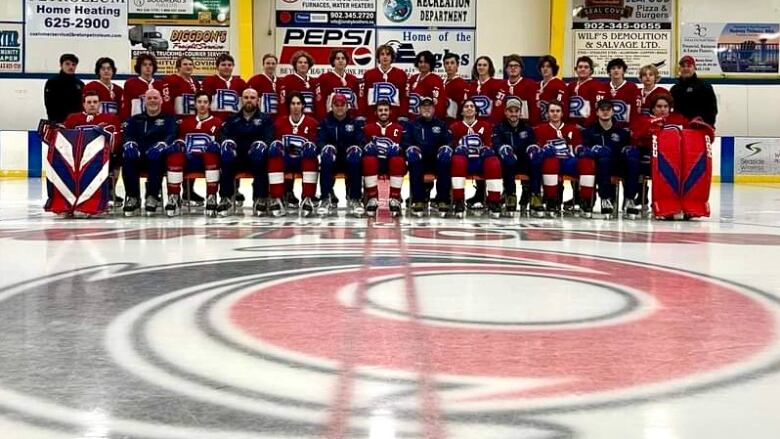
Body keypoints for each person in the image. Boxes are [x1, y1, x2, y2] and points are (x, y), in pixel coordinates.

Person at [631, 93, 690, 218]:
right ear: (653, 108)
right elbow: (635, 137)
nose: (662, 109)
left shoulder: (678, 119)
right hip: (649, 158)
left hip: (674, 159)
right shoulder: (644, 120)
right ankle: (655, 203)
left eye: (665, 106)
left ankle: (682, 205)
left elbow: (689, 135)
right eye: (659, 106)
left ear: (670, 108)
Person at [530, 100, 592, 217]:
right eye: (552, 111)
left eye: (557, 111)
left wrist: (582, 151)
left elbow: (578, 146)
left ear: (562, 113)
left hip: (569, 161)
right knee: (550, 162)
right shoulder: (540, 129)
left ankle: (586, 201)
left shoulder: (572, 129)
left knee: (587, 163)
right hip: (550, 163)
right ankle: (551, 201)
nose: (555, 114)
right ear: (547, 113)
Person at [164, 91, 222, 217]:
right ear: (195, 104)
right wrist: (178, 144)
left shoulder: (218, 122)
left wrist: (217, 146)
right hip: (189, 160)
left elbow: (221, 142)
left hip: (208, 162)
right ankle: (174, 197)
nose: (202, 105)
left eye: (205, 102)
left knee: (211, 156)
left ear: (210, 105)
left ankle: (211, 196)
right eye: (199, 102)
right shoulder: (185, 123)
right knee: (175, 157)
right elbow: (179, 140)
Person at [121, 89, 178, 216]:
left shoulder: (169, 119)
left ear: (161, 101)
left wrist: (162, 145)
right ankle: (133, 197)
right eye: (149, 98)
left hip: (157, 155)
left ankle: (152, 196)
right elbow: (127, 134)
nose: (152, 101)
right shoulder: (135, 119)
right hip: (138, 155)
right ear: (145, 101)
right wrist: (130, 144)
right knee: (127, 159)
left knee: (156, 159)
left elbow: (172, 135)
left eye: (155, 98)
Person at [219, 88, 275, 217]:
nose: (249, 100)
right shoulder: (232, 119)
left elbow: (269, 138)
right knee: (226, 160)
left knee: (261, 160)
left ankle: (260, 197)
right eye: (246, 97)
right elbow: (224, 136)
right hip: (237, 157)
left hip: (256, 157)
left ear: (258, 101)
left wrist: (261, 146)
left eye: (252, 97)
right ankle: (225, 198)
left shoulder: (266, 119)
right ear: (241, 100)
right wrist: (228, 146)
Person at [267, 92, 320, 216]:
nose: (295, 106)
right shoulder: (280, 123)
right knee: (274, 155)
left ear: (303, 106)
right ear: (289, 106)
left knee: (310, 156)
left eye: (298, 103)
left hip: (303, 161)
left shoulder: (312, 123)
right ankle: (277, 198)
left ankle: (307, 198)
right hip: (286, 161)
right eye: (293, 104)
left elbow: (317, 146)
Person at [450, 98, 502, 218]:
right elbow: (450, 145)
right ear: (462, 111)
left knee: (493, 162)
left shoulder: (486, 126)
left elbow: (489, 144)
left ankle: (494, 201)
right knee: (457, 159)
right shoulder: (454, 127)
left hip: (480, 162)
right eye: (466, 106)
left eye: (472, 106)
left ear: (476, 111)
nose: (469, 108)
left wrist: (486, 150)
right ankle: (458, 201)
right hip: (462, 163)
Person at [402, 96, 453, 217]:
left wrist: (446, 149)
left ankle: (442, 199)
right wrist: (410, 149)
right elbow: (405, 141)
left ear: (433, 108)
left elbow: (449, 141)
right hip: (419, 159)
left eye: (429, 106)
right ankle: (418, 199)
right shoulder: (412, 124)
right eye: (424, 106)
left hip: (437, 159)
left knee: (445, 162)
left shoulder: (441, 124)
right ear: (419, 108)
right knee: (414, 162)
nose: (426, 108)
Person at [316, 94, 366, 216]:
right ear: (331, 106)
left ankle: (355, 198)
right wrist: (326, 148)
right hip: (332, 159)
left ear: (347, 107)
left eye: (342, 105)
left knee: (355, 158)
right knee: (326, 157)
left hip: (348, 160)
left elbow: (361, 141)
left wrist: (354, 149)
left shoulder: (354, 123)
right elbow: (320, 141)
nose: (339, 108)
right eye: (336, 105)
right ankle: (325, 198)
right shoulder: (325, 123)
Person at [581, 100, 632, 218]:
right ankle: (604, 199)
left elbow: (627, 149)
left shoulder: (622, 133)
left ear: (613, 112)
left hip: (617, 165)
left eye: (608, 109)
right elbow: (585, 150)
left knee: (632, 160)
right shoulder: (589, 132)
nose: (605, 112)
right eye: (602, 110)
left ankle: (630, 199)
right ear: (597, 112)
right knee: (602, 161)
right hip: (598, 165)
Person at [492, 97, 537, 215]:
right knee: (508, 161)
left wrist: (532, 150)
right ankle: (510, 194)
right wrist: (504, 150)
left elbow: (532, 143)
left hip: (523, 160)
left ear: (520, 112)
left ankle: (532, 194)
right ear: (505, 112)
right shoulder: (499, 127)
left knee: (535, 161)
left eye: (516, 111)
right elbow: (497, 143)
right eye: (510, 111)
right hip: (508, 160)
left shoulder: (527, 128)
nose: (513, 114)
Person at [362, 100, 406, 216]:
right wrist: (366, 147)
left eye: (385, 110)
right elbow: (361, 144)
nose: (383, 113)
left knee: (398, 160)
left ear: (390, 112)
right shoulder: (367, 128)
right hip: (374, 164)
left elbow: (406, 145)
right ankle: (372, 198)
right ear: (376, 112)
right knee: (368, 160)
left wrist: (400, 150)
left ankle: (395, 199)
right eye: (380, 110)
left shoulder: (399, 128)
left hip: (392, 164)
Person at [361, 44, 408, 123]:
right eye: (382, 54)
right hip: (372, 118)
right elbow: (363, 96)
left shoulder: (401, 74)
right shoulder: (369, 74)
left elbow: (404, 96)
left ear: (392, 57)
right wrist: (362, 114)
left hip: (394, 119)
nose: (385, 57)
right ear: (378, 57)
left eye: (388, 54)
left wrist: (402, 114)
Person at [122, 54, 172, 119]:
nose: (148, 67)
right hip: (137, 122)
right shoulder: (130, 83)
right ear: (139, 67)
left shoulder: (161, 84)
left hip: (158, 123)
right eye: (144, 65)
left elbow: (166, 105)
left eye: (150, 65)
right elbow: (126, 105)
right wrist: (125, 121)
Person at [670, 55, 718, 126]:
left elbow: (713, 110)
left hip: (701, 127)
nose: (686, 68)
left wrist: (707, 126)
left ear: (694, 68)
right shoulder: (674, 89)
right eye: (683, 66)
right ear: (679, 69)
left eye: (689, 66)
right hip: (681, 128)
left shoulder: (705, 86)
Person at [316, 49, 361, 120]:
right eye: (337, 58)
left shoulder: (353, 79)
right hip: (331, 120)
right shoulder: (324, 78)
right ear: (333, 61)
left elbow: (357, 101)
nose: (340, 60)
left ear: (346, 61)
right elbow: (320, 101)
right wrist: (323, 119)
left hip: (350, 119)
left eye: (343, 58)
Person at [493, 54, 539, 125]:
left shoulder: (530, 85)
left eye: (516, 66)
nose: (513, 68)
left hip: (523, 125)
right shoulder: (500, 85)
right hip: (503, 126)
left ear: (521, 68)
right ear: (506, 69)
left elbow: (534, 108)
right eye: (510, 66)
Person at [201, 54, 247, 120]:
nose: (227, 67)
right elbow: (203, 104)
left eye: (229, 65)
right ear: (217, 67)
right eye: (223, 65)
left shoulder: (241, 83)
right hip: (215, 121)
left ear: (233, 66)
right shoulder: (209, 81)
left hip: (235, 123)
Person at [567, 55, 607, 128]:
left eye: (586, 67)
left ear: (591, 70)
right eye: (580, 67)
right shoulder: (570, 86)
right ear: (576, 69)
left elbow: (598, 109)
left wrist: (586, 125)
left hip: (589, 128)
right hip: (571, 127)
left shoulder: (597, 86)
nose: (583, 69)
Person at [44, 53, 84, 123]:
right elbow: (49, 105)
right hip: (58, 122)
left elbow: (82, 105)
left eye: (73, 64)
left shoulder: (79, 84)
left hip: (76, 123)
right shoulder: (52, 82)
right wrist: (55, 122)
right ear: (61, 65)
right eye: (67, 64)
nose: (71, 67)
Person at [407, 50, 446, 121]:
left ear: (431, 63)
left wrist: (434, 120)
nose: (423, 64)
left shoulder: (436, 80)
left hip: (427, 121)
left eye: (426, 62)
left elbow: (439, 103)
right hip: (411, 120)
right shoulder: (413, 78)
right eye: (420, 62)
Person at [279, 50, 318, 118]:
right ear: (295, 64)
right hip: (294, 119)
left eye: (305, 63)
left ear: (309, 65)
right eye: (300, 62)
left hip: (310, 120)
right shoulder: (287, 80)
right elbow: (283, 103)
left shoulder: (314, 82)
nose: (303, 64)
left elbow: (317, 104)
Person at [605, 58, 640, 129]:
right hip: (607, 129)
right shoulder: (603, 87)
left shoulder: (632, 87)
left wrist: (632, 128)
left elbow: (635, 111)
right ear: (609, 72)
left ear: (623, 71)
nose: (616, 70)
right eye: (613, 68)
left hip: (626, 129)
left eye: (619, 68)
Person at [468, 55, 502, 121]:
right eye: (479, 65)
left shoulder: (497, 84)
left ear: (489, 67)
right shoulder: (471, 86)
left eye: (484, 65)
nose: (481, 67)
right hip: (473, 123)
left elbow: (498, 108)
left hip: (490, 123)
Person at [247, 54, 281, 119]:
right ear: (263, 64)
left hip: (277, 119)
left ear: (276, 65)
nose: (270, 66)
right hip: (260, 119)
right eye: (268, 63)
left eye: (273, 63)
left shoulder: (281, 82)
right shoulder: (254, 80)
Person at [536, 55, 568, 123]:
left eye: (548, 66)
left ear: (553, 68)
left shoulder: (560, 85)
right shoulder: (536, 85)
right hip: (538, 125)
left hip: (553, 125)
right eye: (543, 66)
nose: (545, 69)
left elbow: (562, 107)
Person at [443, 53, 469, 123]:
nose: (449, 66)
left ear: (457, 65)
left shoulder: (463, 84)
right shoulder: (441, 83)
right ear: (444, 66)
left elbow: (465, 106)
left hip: (455, 123)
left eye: (452, 63)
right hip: (441, 122)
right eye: (447, 63)